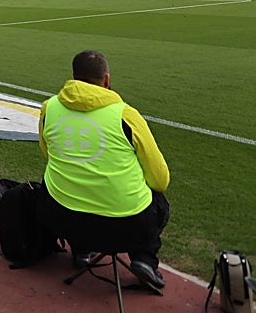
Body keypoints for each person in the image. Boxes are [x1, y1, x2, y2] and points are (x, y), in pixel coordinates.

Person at [37, 50, 170, 291]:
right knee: (159, 201)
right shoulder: (126, 115)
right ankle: (144, 259)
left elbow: (48, 154)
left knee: (64, 180)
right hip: (125, 226)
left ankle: (81, 249)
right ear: (107, 80)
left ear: (74, 77)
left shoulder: (49, 108)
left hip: (61, 216)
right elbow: (160, 179)